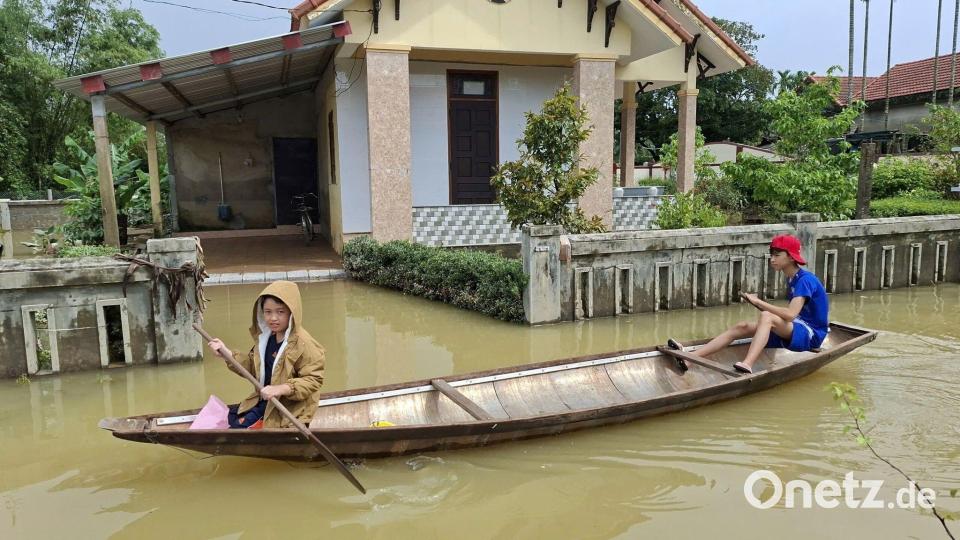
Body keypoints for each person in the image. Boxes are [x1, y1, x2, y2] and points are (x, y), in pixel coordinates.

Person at [668, 234, 829, 374]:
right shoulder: (792, 278)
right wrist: (757, 303)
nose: (772, 259)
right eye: (771, 254)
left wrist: (760, 302)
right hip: (797, 326)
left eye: (777, 255)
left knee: (767, 317)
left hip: (811, 334)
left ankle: (747, 364)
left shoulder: (805, 280)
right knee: (742, 326)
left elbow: (790, 315)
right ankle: (691, 358)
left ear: (791, 257)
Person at [206, 280, 325, 428]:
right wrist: (227, 354)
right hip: (264, 401)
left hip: (287, 409)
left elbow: (313, 380)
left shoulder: (305, 344)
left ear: (292, 313)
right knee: (229, 416)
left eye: (280, 312)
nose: (273, 318)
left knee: (238, 428)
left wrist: (280, 389)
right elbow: (253, 367)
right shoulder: (267, 338)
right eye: (268, 312)